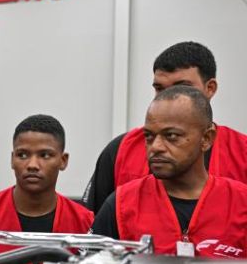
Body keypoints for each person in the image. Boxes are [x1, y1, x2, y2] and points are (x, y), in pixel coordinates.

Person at [83, 41, 247, 212]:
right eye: (159, 89)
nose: (169, 97)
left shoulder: (242, 153)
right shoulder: (121, 150)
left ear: (210, 88)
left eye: (182, 87)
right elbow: (93, 225)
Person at [91, 85, 247, 258]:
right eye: (149, 136)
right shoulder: (121, 205)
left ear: (206, 138)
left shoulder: (241, 203)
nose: (156, 147)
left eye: (171, 136)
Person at [0, 114, 93, 264]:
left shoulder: (85, 223)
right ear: (12, 159)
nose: (32, 164)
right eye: (22, 155)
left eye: (45, 155)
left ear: (63, 161)